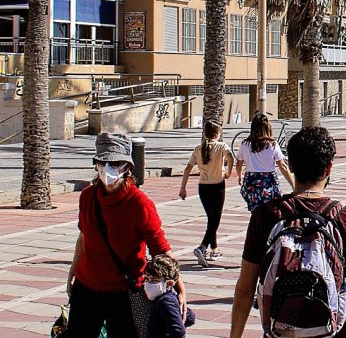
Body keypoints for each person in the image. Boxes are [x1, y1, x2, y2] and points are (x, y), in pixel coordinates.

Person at [230, 126, 346, 338]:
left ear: (291, 165)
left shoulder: (266, 214)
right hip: (330, 331)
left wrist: (235, 335)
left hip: (281, 329)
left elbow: (245, 288)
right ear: (329, 168)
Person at [64, 133, 184, 337]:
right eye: (102, 162)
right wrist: (72, 272)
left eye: (114, 163)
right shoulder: (88, 197)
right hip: (87, 288)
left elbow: (160, 249)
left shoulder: (140, 204)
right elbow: (84, 237)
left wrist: (180, 288)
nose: (107, 168)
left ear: (127, 167)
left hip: (125, 293)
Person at [179, 121, 234, 267]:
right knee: (215, 220)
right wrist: (227, 173)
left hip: (203, 187)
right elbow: (231, 158)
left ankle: (214, 249)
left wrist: (183, 188)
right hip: (217, 186)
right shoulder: (221, 146)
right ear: (217, 134)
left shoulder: (198, 149)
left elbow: (187, 169)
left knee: (211, 219)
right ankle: (202, 247)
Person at [235, 114, 294, 213]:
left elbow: (239, 163)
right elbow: (282, 166)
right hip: (268, 180)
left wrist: (239, 175)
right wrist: (293, 184)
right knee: (271, 210)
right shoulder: (272, 144)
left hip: (251, 180)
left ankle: (256, 226)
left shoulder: (245, 144)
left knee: (255, 211)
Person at [144, 254, 196, 338]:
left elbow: (179, 331)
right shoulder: (170, 297)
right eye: (148, 279)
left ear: (169, 283)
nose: (149, 284)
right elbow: (190, 317)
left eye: (155, 280)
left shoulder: (165, 302)